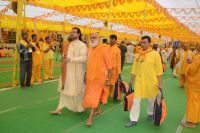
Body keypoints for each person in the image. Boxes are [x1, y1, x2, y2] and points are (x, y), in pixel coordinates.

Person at [125, 36, 163, 127]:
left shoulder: (155, 54)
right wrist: (131, 79)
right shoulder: (138, 54)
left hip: (151, 82)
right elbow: (134, 68)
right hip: (139, 82)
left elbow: (159, 70)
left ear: (149, 43)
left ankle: (150, 113)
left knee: (151, 100)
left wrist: (160, 83)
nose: (142, 44)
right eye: (141, 42)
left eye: (144, 42)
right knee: (136, 100)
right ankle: (133, 119)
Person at [51, 27, 87, 114]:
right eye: (72, 32)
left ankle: (79, 106)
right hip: (66, 70)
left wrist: (71, 59)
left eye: (74, 32)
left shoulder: (82, 45)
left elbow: (84, 58)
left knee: (78, 90)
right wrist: (63, 57)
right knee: (64, 88)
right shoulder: (68, 44)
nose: (72, 34)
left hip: (77, 72)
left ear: (78, 34)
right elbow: (64, 55)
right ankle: (59, 109)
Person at [82, 32, 113, 126]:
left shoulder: (104, 49)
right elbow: (89, 64)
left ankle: (90, 118)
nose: (92, 39)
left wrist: (109, 79)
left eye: (94, 37)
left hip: (100, 78)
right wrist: (85, 74)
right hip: (90, 77)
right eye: (91, 37)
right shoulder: (90, 49)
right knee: (92, 95)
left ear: (99, 38)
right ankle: (98, 109)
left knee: (93, 97)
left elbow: (110, 67)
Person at [181, 44, 200, 128]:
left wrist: (189, 63)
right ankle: (196, 119)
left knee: (192, 102)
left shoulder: (198, 57)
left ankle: (191, 122)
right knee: (197, 102)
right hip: (197, 83)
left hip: (195, 83)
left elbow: (192, 70)